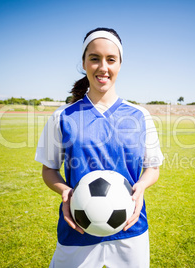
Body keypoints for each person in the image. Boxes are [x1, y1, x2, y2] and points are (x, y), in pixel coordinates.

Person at [35, 27, 164, 267]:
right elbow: (48, 170)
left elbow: (152, 168)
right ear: (84, 63)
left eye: (110, 59)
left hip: (130, 230)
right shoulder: (62, 116)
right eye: (94, 58)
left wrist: (142, 186)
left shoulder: (140, 116)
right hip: (77, 229)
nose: (103, 67)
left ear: (120, 64)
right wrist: (65, 190)